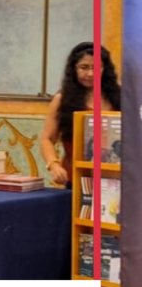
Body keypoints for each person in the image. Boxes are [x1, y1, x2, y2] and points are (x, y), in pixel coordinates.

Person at [39, 42, 120, 185]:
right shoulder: (62, 99)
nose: (90, 74)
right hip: (77, 179)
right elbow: (47, 138)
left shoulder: (121, 96)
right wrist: (53, 165)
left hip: (117, 180)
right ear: (74, 69)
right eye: (84, 67)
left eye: (96, 67)